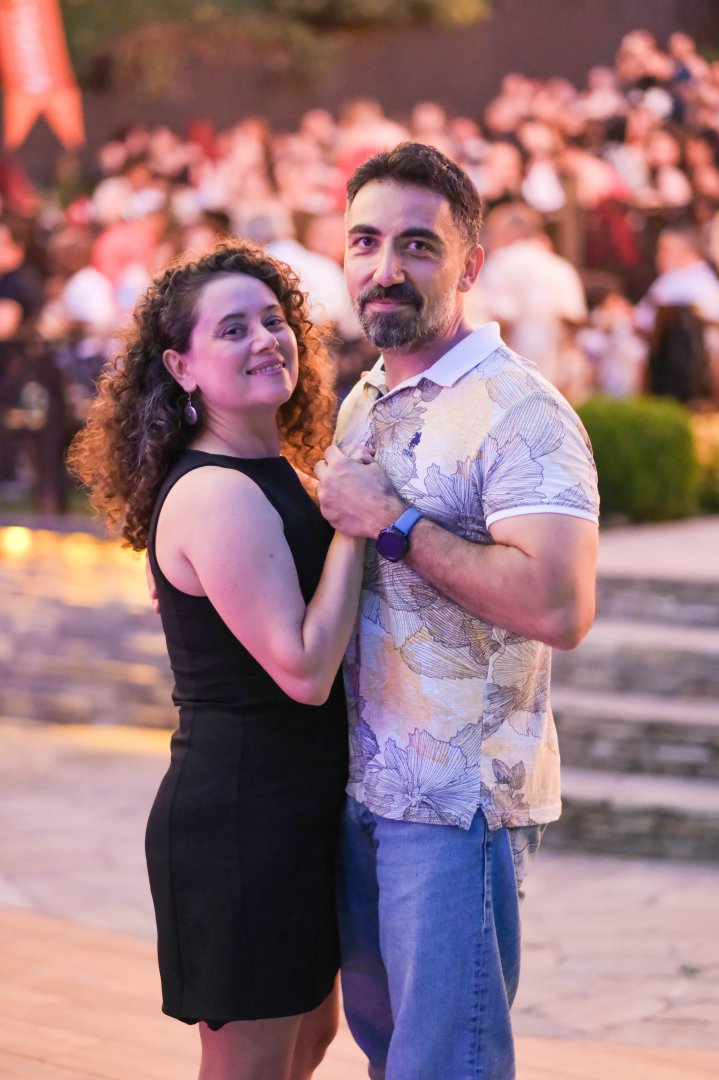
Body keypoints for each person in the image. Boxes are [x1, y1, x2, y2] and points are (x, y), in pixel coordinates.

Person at [314, 143, 600, 1080]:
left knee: (444, 1065)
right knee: (390, 1056)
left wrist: (393, 524)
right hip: (362, 790)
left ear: (470, 265)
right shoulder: (367, 395)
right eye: (365, 241)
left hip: (456, 806)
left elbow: (560, 606)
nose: (384, 267)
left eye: (417, 245)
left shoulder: (523, 411)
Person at [67, 239, 368, 1080]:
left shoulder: (278, 473)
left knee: (307, 1041)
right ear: (182, 366)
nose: (264, 339)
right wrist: (357, 525)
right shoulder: (216, 491)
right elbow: (303, 671)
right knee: (251, 1064)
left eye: (273, 320)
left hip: (294, 808)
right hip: (240, 818)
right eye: (232, 329)